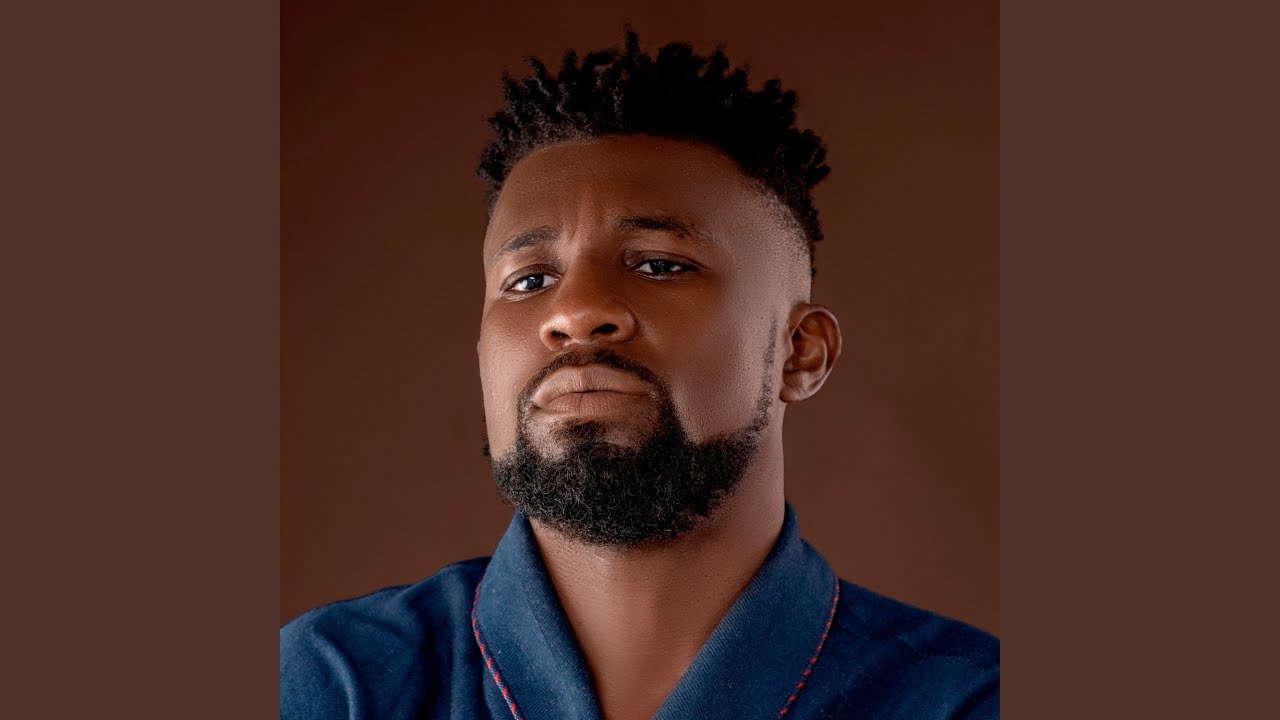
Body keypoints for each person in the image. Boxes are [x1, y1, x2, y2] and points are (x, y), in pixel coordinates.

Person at [281, 29, 998, 720]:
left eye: (659, 264)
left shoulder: (971, 700)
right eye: (529, 281)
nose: (575, 312)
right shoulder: (329, 683)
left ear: (800, 352)